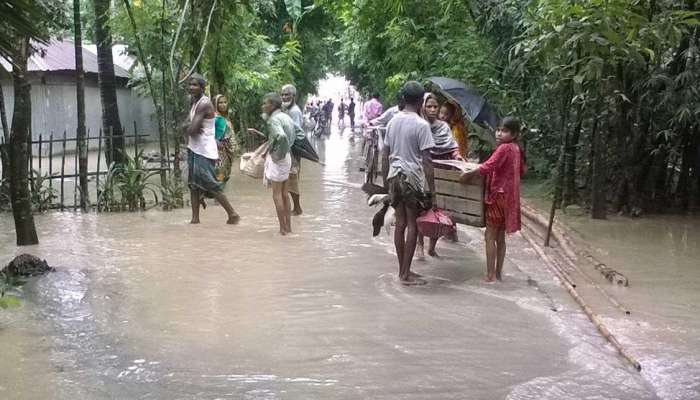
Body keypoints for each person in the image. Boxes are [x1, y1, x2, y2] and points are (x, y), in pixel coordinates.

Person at [459, 117, 525, 282]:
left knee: (490, 235)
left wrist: (468, 174)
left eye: (504, 131)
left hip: (497, 196)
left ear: (514, 134)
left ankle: (490, 275)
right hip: (509, 198)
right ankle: (498, 273)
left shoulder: (504, 148)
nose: (499, 133)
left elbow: (489, 166)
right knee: (500, 238)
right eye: (498, 129)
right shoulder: (516, 149)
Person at [383, 81, 435, 285]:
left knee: (400, 223)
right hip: (412, 179)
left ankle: (401, 271)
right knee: (413, 224)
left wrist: (386, 184)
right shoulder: (422, 125)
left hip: (394, 177)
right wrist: (432, 190)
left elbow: (384, 154)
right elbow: (427, 162)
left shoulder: (392, 122)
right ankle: (406, 273)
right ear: (422, 101)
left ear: (403, 99)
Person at [185, 74, 240, 225]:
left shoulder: (204, 104)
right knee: (193, 185)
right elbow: (189, 125)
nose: (191, 87)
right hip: (194, 148)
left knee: (211, 183)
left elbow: (193, 129)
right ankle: (195, 219)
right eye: (190, 84)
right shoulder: (193, 101)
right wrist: (187, 128)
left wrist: (184, 128)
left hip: (204, 150)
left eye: (195, 85)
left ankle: (233, 214)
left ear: (202, 88)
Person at [417, 93, 462, 257]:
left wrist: (457, 156)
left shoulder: (443, 127)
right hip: (422, 174)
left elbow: (452, 147)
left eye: (435, 106)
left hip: (442, 174)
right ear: (423, 107)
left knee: (439, 212)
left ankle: (432, 247)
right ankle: (420, 245)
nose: (433, 109)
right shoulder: (419, 126)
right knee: (421, 211)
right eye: (429, 106)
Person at [248, 93, 296, 235]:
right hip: (287, 157)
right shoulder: (286, 117)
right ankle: (289, 227)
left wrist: (275, 155)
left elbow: (280, 136)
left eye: (265, 103)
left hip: (279, 158)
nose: (263, 106)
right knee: (285, 194)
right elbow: (296, 135)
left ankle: (282, 228)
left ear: (272, 105)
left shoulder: (273, 120)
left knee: (277, 195)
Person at [280, 83, 304, 215]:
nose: (284, 97)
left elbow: (296, 133)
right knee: (288, 179)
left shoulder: (294, 111)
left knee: (292, 179)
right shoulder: (286, 110)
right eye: (282, 94)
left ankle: (297, 208)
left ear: (293, 96)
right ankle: (294, 208)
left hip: (292, 151)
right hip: (287, 150)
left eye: (287, 94)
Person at [212, 94, 236, 186]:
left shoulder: (225, 118)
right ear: (215, 104)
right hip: (218, 153)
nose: (223, 105)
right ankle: (218, 199)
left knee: (224, 175)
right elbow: (207, 133)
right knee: (219, 176)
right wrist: (215, 141)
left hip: (226, 152)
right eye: (220, 103)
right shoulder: (215, 118)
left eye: (225, 102)